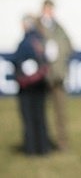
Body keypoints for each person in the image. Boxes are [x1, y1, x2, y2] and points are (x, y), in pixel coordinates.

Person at [13, 14, 52, 156]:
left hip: (27, 87)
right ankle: (43, 147)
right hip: (40, 84)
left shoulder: (25, 43)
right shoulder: (40, 41)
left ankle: (31, 148)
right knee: (40, 116)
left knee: (29, 117)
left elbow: (18, 62)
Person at [38, 0, 73, 150]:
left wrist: (60, 55)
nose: (49, 12)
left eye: (51, 9)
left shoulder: (59, 27)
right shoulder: (37, 26)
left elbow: (69, 45)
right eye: (47, 9)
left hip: (58, 74)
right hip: (42, 75)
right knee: (39, 110)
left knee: (60, 112)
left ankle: (62, 142)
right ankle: (41, 141)